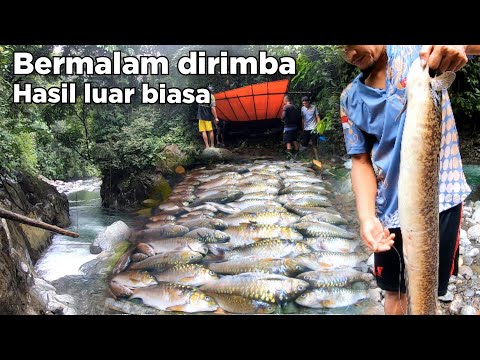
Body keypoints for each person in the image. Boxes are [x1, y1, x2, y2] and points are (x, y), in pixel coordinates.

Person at [340, 45, 480, 315]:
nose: (351, 53)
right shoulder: (351, 98)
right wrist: (367, 217)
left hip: (442, 200)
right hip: (389, 213)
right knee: (395, 294)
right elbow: (360, 161)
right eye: (343, 48)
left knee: (427, 293)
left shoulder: (417, 51)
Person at [300, 96, 321, 160]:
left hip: (314, 128)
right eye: (303, 103)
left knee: (314, 144)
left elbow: (317, 117)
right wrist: (303, 128)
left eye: (306, 103)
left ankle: (317, 158)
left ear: (309, 102)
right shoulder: (302, 109)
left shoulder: (314, 107)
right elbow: (303, 118)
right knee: (304, 144)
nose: (305, 104)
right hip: (306, 129)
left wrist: (319, 126)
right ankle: (305, 157)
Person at [281, 94, 300, 160]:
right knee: (295, 141)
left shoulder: (286, 107)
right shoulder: (294, 107)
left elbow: (283, 115)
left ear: (286, 100)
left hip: (288, 127)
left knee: (288, 142)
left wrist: (282, 119)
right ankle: (297, 156)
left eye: (283, 100)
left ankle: (290, 157)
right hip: (294, 127)